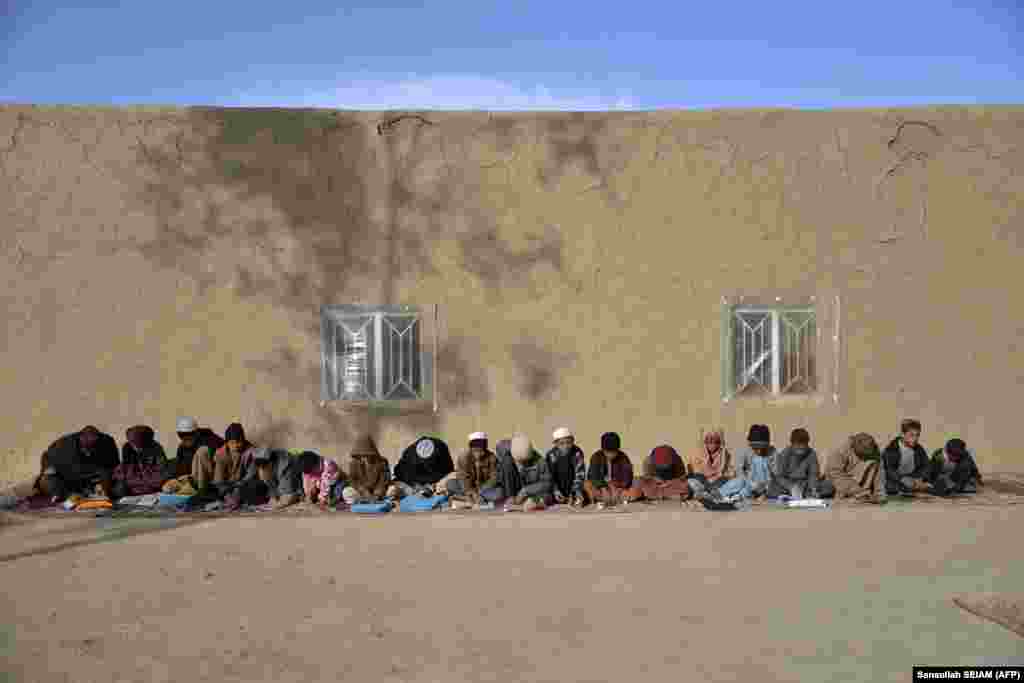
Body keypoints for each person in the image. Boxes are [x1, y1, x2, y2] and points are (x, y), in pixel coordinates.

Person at [37, 425, 120, 503]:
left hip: (92, 476)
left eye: (94, 445)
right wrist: (48, 470)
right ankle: (66, 496)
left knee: (114, 484)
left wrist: (109, 479)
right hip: (65, 475)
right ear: (81, 438)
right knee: (49, 481)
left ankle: (98, 493)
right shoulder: (64, 445)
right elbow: (47, 457)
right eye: (87, 446)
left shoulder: (107, 441)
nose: (90, 449)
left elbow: (113, 465)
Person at [714, 424, 776, 500]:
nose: (759, 451)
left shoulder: (773, 452)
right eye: (755, 447)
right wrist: (751, 482)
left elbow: (776, 473)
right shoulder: (744, 451)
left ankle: (741, 496)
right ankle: (719, 494)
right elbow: (739, 470)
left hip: (766, 485)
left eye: (762, 447)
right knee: (739, 482)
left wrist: (765, 487)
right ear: (750, 444)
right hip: (748, 482)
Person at [439, 433, 504, 504]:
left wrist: (480, 491)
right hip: (468, 488)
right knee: (450, 483)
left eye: (481, 451)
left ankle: (465, 498)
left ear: (485, 449)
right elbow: (463, 478)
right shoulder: (463, 457)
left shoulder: (492, 457)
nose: (478, 454)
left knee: (500, 492)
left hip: (484, 488)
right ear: (471, 449)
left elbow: (494, 478)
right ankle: (473, 498)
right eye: (475, 451)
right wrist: (472, 492)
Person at [770, 428, 834, 499]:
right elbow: (780, 476)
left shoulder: (811, 453)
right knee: (772, 487)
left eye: (803, 445)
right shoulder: (785, 454)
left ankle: (809, 494)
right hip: (788, 484)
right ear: (792, 444)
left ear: (807, 444)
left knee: (828, 486)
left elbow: (813, 474)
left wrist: (813, 488)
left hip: (805, 484)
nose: (801, 448)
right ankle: (792, 495)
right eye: (798, 445)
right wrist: (791, 487)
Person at [825, 433, 886, 504]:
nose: (865, 457)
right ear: (855, 445)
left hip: (861, 492)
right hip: (837, 488)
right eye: (863, 452)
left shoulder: (874, 451)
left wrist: (879, 495)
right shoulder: (839, 452)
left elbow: (879, 475)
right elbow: (836, 476)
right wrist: (859, 492)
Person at [387, 436, 455, 500]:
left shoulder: (441, 449)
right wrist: (416, 486)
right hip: (413, 483)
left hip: (437, 482)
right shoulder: (409, 456)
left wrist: (434, 485)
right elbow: (402, 474)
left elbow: (449, 470)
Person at [191, 422, 254, 492]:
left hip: (242, 484)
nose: (236, 445)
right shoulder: (221, 454)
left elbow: (250, 474)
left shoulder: (249, 452)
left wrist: (240, 484)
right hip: (224, 484)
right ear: (227, 443)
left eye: (239, 442)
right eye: (232, 442)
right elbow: (218, 480)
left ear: (243, 441)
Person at [238, 447, 305, 510]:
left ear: (271, 462)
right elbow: (246, 480)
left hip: (296, 486)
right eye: (259, 466)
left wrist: (274, 504)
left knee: (286, 499)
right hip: (278, 481)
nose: (261, 468)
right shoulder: (258, 462)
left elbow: (286, 497)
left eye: (264, 466)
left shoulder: (285, 465)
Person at [112, 425, 169, 498]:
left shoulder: (156, 448)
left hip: (148, 481)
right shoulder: (127, 447)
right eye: (130, 440)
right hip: (134, 481)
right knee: (119, 488)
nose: (132, 443)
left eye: (135, 440)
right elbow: (123, 470)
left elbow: (161, 473)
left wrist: (137, 480)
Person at [583, 432, 634, 507]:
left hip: (617, 488)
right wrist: (603, 488)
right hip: (601, 487)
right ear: (603, 449)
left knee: (636, 485)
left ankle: (612, 499)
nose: (610, 455)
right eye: (607, 452)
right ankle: (600, 499)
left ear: (618, 449)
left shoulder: (623, 457)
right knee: (586, 484)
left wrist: (619, 488)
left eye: (613, 452)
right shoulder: (596, 457)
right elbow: (593, 475)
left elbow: (627, 475)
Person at [882, 419, 931, 496]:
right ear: (902, 434)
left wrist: (920, 478)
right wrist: (902, 479)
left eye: (917, 435)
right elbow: (889, 470)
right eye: (911, 435)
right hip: (896, 480)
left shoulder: (919, 448)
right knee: (890, 487)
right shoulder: (891, 449)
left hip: (913, 479)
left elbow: (926, 465)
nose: (915, 438)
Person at [626, 444, 691, 502]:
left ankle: (659, 495)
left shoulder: (677, 460)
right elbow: (647, 478)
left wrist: (670, 482)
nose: (663, 468)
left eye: (666, 466)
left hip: (670, 485)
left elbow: (682, 478)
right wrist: (656, 480)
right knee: (637, 481)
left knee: (686, 486)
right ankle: (664, 495)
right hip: (655, 485)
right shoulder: (648, 461)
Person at [507, 433, 553, 511]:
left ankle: (522, 507)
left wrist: (526, 490)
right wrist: (511, 495)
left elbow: (547, 483)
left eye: (525, 462)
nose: (523, 464)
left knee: (544, 498)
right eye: (520, 462)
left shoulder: (541, 462)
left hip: (535, 495)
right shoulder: (507, 462)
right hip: (515, 495)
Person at [341, 435, 391, 504]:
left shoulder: (382, 462)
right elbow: (352, 480)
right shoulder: (353, 463)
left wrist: (378, 493)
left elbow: (385, 479)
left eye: (367, 455)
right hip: (362, 492)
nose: (365, 458)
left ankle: (377, 501)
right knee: (346, 492)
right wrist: (363, 490)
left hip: (379, 492)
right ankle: (364, 501)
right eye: (362, 455)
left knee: (392, 490)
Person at [545, 427, 586, 506]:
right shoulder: (551, 455)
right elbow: (549, 476)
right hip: (557, 488)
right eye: (562, 443)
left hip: (573, 486)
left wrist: (575, 492)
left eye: (568, 442)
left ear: (572, 441)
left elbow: (580, 474)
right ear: (556, 444)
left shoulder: (577, 453)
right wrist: (555, 491)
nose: (566, 446)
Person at [687, 428, 734, 498]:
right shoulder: (699, 453)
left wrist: (723, 452)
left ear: (719, 443)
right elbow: (697, 472)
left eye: (715, 442)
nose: (712, 444)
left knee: (729, 482)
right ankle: (708, 492)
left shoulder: (725, 453)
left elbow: (728, 472)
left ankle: (708, 493)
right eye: (709, 442)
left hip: (717, 481)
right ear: (705, 442)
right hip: (702, 480)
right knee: (692, 481)